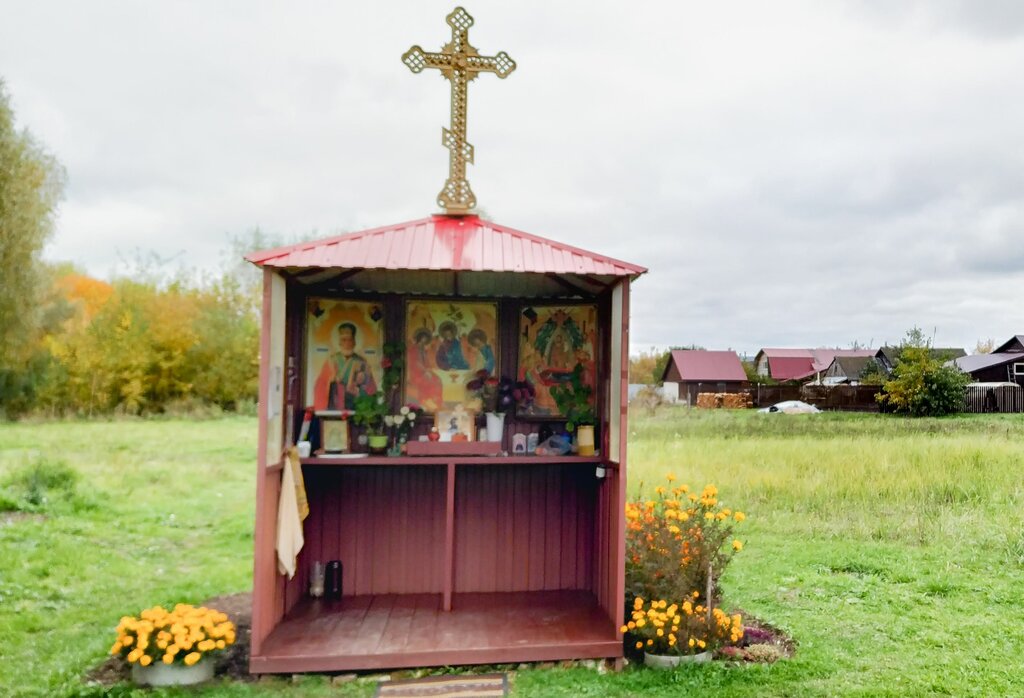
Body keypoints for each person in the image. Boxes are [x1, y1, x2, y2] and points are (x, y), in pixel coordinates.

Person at [314, 322, 377, 410]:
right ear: (339, 342)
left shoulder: (361, 362)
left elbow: (371, 389)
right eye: (344, 340)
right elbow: (320, 387)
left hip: (355, 407)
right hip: (336, 406)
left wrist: (360, 388)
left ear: (354, 342)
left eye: (350, 340)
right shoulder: (331, 361)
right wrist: (331, 380)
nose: (347, 343)